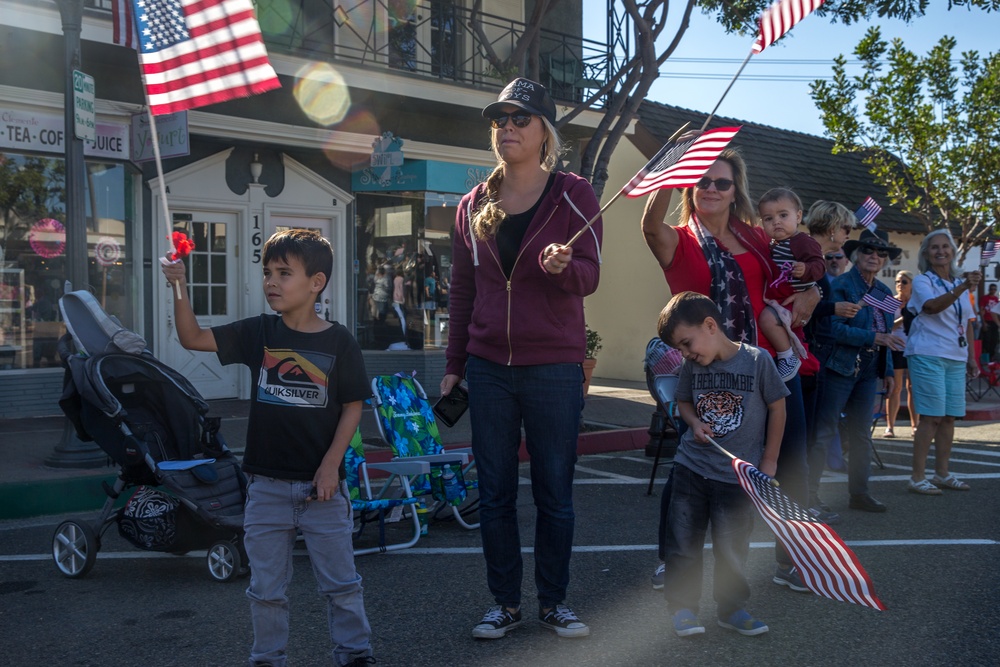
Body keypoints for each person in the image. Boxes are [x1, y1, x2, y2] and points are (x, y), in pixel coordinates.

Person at [161, 229, 376, 667]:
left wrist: (331, 466)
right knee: (266, 591)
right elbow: (192, 338)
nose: (271, 281)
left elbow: (353, 406)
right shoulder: (259, 332)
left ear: (316, 282)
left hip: (323, 491)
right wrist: (179, 285)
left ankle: (355, 655)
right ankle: (268, 658)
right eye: (266, 273)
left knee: (341, 585)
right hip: (266, 489)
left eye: (283, 272)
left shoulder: (340, 342)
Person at [441, 77, 602, 640]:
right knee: (495, 493)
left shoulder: (574, 194)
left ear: (544, 133)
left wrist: (565, 269)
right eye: (499, 120)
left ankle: (554, 602)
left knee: (555, 490)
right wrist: (454, 364)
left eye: (520, 119)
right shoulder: (471, 204)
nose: (507, 128)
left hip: (555, 367)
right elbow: (463, 292)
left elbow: (591, 276)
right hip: (488, 368)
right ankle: (504, 603)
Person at [640, 147, 819, 594]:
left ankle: (789, 560)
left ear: (735, 188)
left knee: (790, 462)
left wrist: (810, 294)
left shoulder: (758, 239)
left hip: (765, 367)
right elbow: (648, 225)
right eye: (702, 181)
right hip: (708, 377)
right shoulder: (677, 240)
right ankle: (673, 560)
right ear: (689, 187)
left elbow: (792, 278)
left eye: (722, 181)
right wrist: (669, 169)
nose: (712, 188)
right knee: (691, 470)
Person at [658, 291, 788, 637]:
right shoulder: (691, 366)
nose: (685, 354)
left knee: (733, 549)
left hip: (737, 477)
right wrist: (693, 423)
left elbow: (778, 408)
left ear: (711, 325)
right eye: (680, 349)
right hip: (691, 469)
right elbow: (684, 401)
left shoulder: (758, 361)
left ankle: (731, 609)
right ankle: (683, 608)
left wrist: (769, 461)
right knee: (683, 543)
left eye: (687, 343)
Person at [810, 229, 903, 513]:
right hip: (839, 365)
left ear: (886, 260)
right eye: (868, 251)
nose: (874, 256)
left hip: (869, 369)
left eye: (881, 253)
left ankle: (860, 494)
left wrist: (887, 370)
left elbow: (886, 333)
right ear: (855, 255)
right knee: (823, 432)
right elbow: (832, 329)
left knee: (862, 434)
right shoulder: (841, 285)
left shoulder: (885, 292)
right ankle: (809, 496)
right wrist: (872, 339)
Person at [904, 229, 980, 495]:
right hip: (927, 353)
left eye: (945, 247)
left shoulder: (956, 283)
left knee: (949, 418)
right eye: (934, 247)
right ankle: (917, 477)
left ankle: (942, 473)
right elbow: (932, 307)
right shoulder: (924, 281)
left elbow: (967, 322)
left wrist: (971, 357)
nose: (940, 251)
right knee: (932, 417)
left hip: (955, 356)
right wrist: (963, 286)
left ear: (953, 251)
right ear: (926, 253)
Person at [799, 200, 859, 521]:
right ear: (833, 226)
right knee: (808, 434)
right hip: (807, 354)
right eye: (846, 227)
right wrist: (833, 309)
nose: (848, 234)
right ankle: (804, 501)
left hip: (817, 352)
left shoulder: (813, 256)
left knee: (812, 433)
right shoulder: (808, 255)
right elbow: (796, 305)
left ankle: (807, 498)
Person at [756, 187, 826, 381]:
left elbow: (820, 265)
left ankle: (787, 357)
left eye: (783, 215)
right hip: (779, 295)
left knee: (767, 320)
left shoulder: (802, 241)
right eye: (768, 218)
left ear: (798, 216)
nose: (776, 221)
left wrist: (806, 269)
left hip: (793, 295)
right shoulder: (771, 245)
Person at [884, 271, 918, 437]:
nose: (900, 285)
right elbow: (887, 325)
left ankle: (915, 426)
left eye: (904, 282)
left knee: (912, 387)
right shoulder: (891, 302)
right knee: (895, 387)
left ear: (911, 284)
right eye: (897, 281)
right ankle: (890, 427)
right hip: (895, 348)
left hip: (914, 349)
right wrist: (902, 318)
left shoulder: (917, 302)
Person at [980, 283, 998, 362]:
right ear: (989, 289)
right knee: (987, 340)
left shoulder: (996, 299)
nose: (993, 291)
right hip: (987, 321)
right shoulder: (984, 298)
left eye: (994, 289)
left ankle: (992, 356)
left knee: (994, 340)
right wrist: (983, 323)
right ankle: (985, 358)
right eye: (991, 289)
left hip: (994, 322)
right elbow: (981, 310)